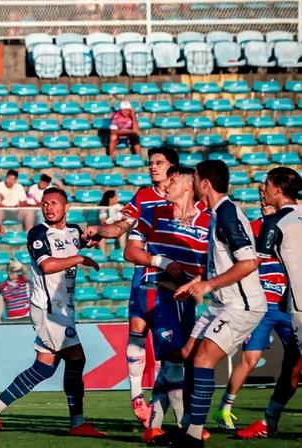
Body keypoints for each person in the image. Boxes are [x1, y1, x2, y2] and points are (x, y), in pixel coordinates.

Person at [0, 187, 106, 438]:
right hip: (49, 310)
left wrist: (98, 233)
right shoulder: (38, 233)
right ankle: (77, 423)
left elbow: (88, 239)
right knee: (76, 358)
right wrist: (80, 260)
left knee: (44, 367)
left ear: (66, 207)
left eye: (54, 203)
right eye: (45, 204)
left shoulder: (73, 231)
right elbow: (47, 266)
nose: (49, 207)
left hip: (64, 310)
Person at [171, 160, 266, 447]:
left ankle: (194, 435)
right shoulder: (217, 213)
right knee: (188, 352)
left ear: (205, 184)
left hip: (241, 306)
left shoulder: (227, 213)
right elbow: (222, 262)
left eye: (195, 178)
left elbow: (249, 262)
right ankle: (187, 424)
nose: (192, 183)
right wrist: (198, 280)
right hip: (221, 303)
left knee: (202, 359)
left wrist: (208, 284)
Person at [90, 145, 178, 426]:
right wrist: (98, 230)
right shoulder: (143, 195)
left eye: (159, 162)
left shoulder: (185, 196)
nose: (153, 167)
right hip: (146, 277)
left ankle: (180, 420)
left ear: (173, 167)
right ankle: (137, 397)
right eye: (151, 162)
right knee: (137, 337)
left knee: (172, 352)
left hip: (177, 281)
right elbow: (120, 227)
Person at [124, 166, 210, 443]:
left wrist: (200, 281)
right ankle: (181, 424)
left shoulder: (208, 220)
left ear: (188, 185)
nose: (165, 185)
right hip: (156, 291)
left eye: (172, 181)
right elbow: (130, 251)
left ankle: (156, 425)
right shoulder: (153, 212)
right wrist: (162, 261)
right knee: (173, 360)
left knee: (176, 362)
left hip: (185, 300)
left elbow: (210, 263)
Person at [213, 197, 290, 431]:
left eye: (266, 196)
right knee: (250, 359)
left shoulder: (290, 226)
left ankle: (271, 417)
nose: (263, 201)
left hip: (288, 304)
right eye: (260, 197)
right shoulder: (252, 227)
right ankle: (224, 408)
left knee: (296, 362)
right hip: (263, 305)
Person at [236, 167, 302, 440]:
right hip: (293, 304)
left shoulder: (274, 224)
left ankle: (269, 421)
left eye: (266, 186)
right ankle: (270, 421)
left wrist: (211, 283)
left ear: (276, 189)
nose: (263, 191)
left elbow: (253, 263)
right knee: (292, 366)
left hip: (299, 307)